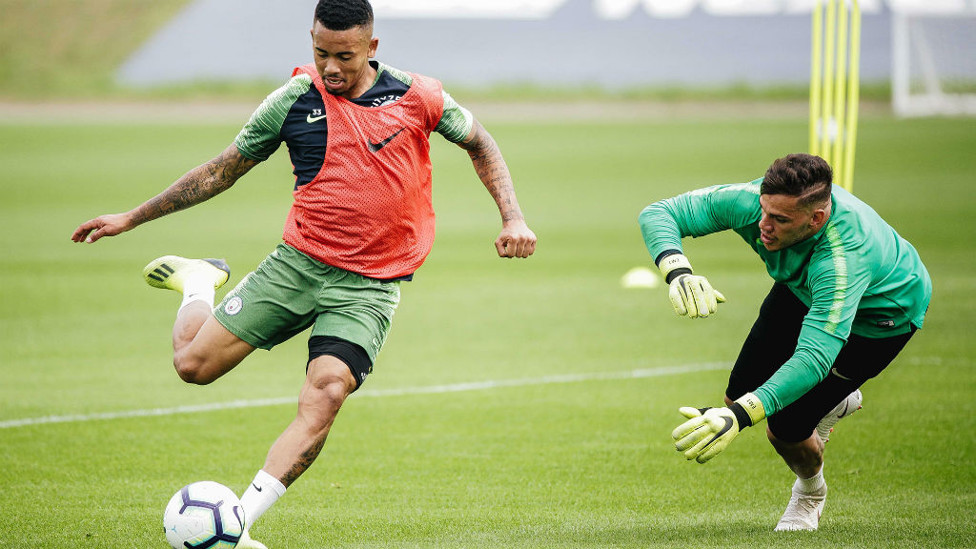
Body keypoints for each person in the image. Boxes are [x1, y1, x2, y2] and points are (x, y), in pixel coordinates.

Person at [71, 1, 536, 546]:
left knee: (328, 390)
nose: (331, 67)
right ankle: (198, 281)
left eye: (345, 55)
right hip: (298, 264)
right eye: (320, 53)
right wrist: (131, 217)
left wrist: (514, 216)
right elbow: (220, 171)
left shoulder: (421, 97)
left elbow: (480, 141)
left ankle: (238, 526)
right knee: (192, 367)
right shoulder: (292, 100)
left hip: (369, 285)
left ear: (372, 48)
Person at [638, 153, 931, 531]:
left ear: (817, 219)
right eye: (764, 211)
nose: (764, 226)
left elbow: (814, 357)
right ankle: (833, 399)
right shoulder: (754, 204)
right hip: (803, 287)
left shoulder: (841, 260)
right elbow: (659, 212)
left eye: (780, 220)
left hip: (878, 320)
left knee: (785, 427)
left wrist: (739, 419)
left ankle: (809, 494)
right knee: (740, 393)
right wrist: (677, 270)